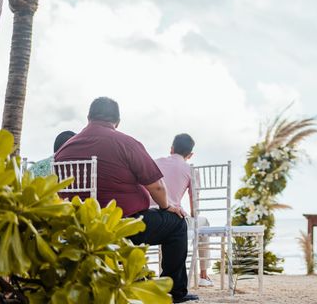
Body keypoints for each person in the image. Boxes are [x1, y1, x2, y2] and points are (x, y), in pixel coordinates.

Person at [54, 97, 198, 303]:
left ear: (88, 118)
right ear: (118, 121)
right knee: (177, 224)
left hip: (79, 228)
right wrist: (167, 207)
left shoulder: (64, 149)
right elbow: (157, 186)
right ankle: (173, 293)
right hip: (122, 226)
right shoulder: (125, 142)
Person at [154, 133, 213, 286]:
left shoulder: (155, 162)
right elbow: (195, 205)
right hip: (174, 219)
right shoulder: (190, 170)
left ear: (171, 149)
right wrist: (193, 215)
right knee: (204, 222)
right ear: (190, 154)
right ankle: (203, 275)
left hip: (151, 217)